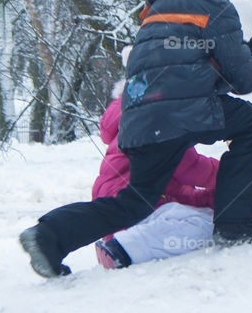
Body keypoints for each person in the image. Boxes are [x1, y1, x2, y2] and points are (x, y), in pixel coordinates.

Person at [20, 0, 252, 277]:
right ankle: (235, 225)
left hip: (141, 121)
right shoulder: (215, 7)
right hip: (182, 113)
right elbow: (244, 80)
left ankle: (49, 236)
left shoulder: (156, 13)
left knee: (135, 201)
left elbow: (194, 76)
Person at [93, 89, 219, 269]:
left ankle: (122, 242)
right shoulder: (161, 116)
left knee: (203, 214)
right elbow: (189, 167)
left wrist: (209, 198)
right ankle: (125, 247)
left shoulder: (130, 120)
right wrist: (232, 174)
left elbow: (175, 191)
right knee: (207, 226)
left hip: (119, 207)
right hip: (136, 206)